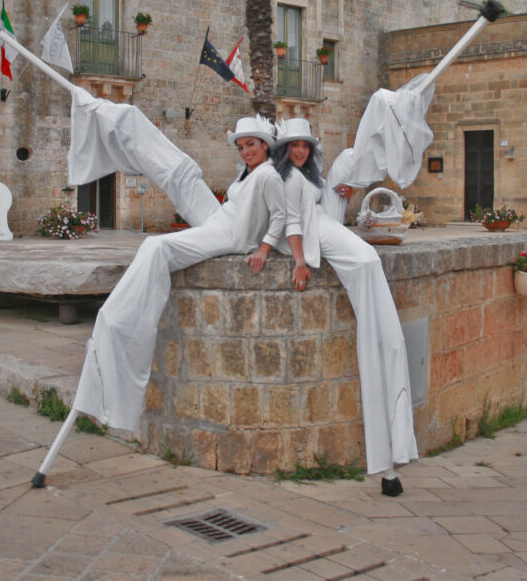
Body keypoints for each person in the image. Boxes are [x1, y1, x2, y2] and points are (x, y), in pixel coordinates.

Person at [69, 114, 286, 432]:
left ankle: (119, 318)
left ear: (266, 145)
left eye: (251, 144)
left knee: (158, 247)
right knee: (177, 186)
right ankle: (121, 121)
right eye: (241, 146)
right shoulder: (249, 174)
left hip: (229, 235)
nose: (245, 151)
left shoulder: (268, 176)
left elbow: (279, 216)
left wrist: (264, 249)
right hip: (219, 222)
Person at [273, 118, 419, 496]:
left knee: (382, 313)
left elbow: (330, 195)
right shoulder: (288, 180)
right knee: (369, 272)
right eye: (294, 146)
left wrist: (345, 187)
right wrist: (301, 260)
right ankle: (387, 460)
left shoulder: (313, 179)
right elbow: (291, 221)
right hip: (326, 240)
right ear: (285, 151)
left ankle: (393, 457)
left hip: (337, 236)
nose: (300, 151)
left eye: (304, 145)